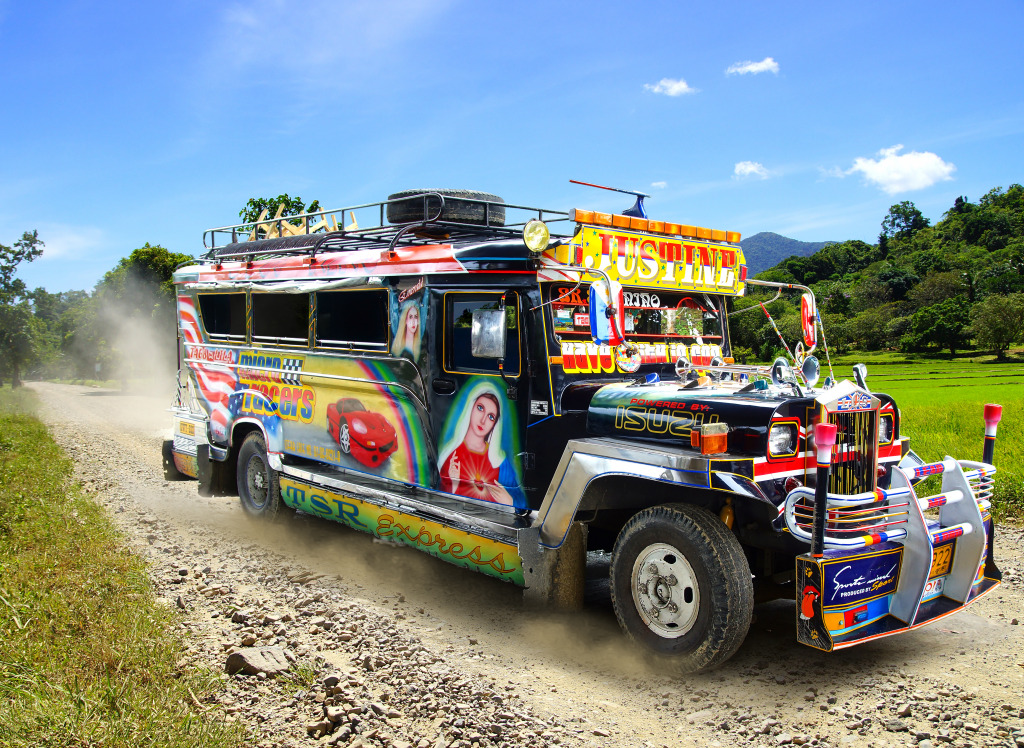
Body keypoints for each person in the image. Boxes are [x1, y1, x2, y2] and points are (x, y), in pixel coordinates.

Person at [438, 388, 522, 506]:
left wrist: (510, 501)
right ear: (470, 408)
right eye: (480, 408)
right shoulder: (453, 458)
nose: (483, 420)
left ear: (494, 424)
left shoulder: (499, 463)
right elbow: (439, 499)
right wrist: (453, 484)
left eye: (491, 417)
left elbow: (522, 502)